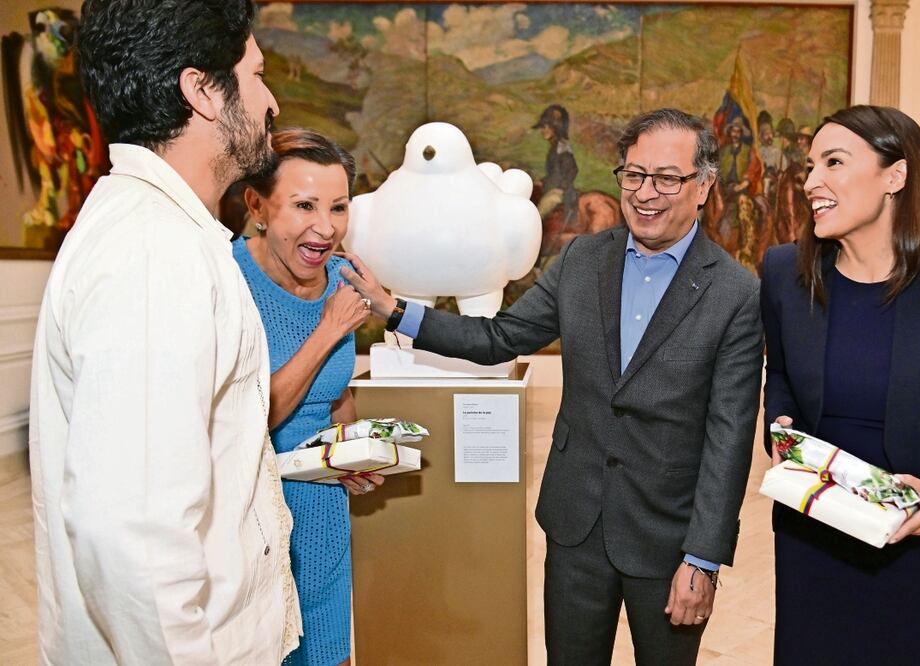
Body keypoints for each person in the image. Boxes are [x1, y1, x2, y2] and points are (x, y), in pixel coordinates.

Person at [345, 108, 763, 664]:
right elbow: (501, 336)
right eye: (633, 175)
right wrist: (396, 311)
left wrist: (704, 558)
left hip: (666, 538)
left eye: (666, 178)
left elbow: (729, 436)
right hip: (576, 527)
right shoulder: (583, 260)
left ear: (704, 185)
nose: (645, 193)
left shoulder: (734, 293)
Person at [28, 1, 302, 663]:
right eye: (257, 74)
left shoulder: (166, 236)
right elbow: (133, 538)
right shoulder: (154, 255)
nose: (269, 103)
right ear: (202, 91)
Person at [761, 105, 920, 665]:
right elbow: (779, 374)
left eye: (834, 162)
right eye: (810, 166)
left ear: (895, 176)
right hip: (816, 537)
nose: (811, 182)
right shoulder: (784, 272)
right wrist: (779, 427)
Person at [233, 127, 382, 666]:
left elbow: (336, 395)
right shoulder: (228, 281)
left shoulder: (342, 278)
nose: (326, 227)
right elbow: (246, 415)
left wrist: (352, 453)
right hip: (252, 515)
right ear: (258, 207)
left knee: (329, 655)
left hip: (321, 511)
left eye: (338, 207)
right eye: (304, 205)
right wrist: (327, 330)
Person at [534, 103, 579, 223]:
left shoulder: (562, 148)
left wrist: (561, 188)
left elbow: (572, 170)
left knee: (538, 214)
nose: (543, 130)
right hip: (555, 187)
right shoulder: (554, 147)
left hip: (561, 191)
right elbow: (555, 172)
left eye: (546, 126)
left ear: (556, 127)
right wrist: (542, 181)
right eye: (542, 127)